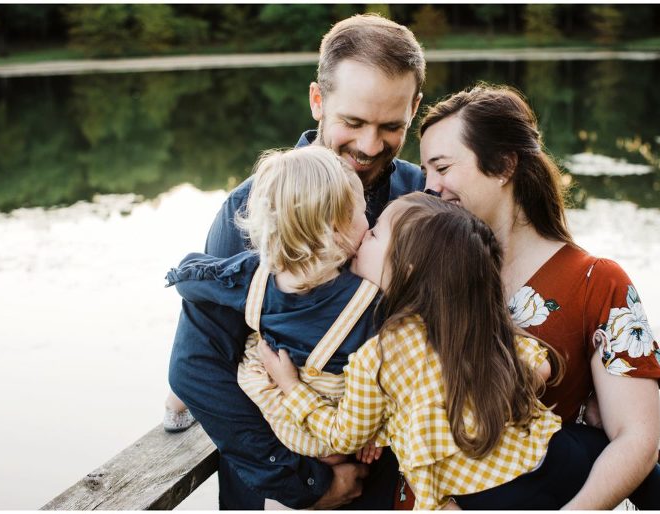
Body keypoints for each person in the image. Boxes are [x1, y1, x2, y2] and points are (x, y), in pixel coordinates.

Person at [167, 13, 426, 509]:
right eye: (353, 122)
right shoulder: (253, 211)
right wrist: (308, 484)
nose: (370, 146)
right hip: (283, 485)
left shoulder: (424, 200)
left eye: (392, 126)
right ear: (317, 101)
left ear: (414, 109)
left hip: (393, 479)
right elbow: (196, 368)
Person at [418, 83, 660, 509]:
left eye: (442, 167)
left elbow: (637, 439)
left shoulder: (596, 283)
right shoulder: (429, 275)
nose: (429, 187)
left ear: (504, 165)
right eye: (425, 173)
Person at [259, 192, 605, 510]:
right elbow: (538, 366)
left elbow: (345, 434)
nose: (364, 235)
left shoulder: (376, 357)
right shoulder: (467, 319)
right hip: (550, 459)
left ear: (406, 268)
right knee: (617, 453)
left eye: (376, 234)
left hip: (481, 499)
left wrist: (291, 387)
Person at [166, 145, 390, 466]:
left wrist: (180, 275)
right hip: (333, 423)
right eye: (360, 211)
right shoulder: (368, 299)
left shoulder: (254, 275)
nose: (368, 220)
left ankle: (175, 404)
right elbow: (392, 370)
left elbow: (197, 279)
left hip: (278, 412)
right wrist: (378, 431)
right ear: (336, 226)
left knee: (240, 342)